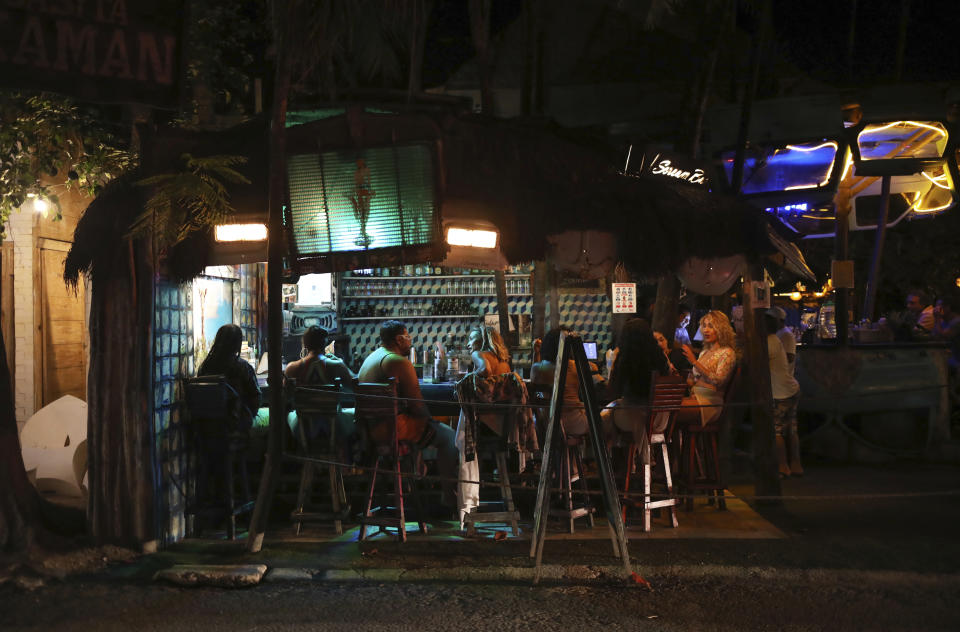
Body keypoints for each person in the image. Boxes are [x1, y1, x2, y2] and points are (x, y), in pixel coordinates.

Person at [358, 320, 459, 509]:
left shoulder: (372, 357)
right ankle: (449, 496)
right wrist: (432, 424)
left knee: (428, 430)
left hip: (370, 430)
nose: (410, 341)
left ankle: (419, 471)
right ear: (398, 339)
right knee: (449, 437)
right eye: (408, 337)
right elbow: (417, 406)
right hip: (391, 430)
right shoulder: (398, 362)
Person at [601, 319, 669, 459]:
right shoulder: (659, 357)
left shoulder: (625, 358)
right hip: (658, 418)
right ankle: (628, 461)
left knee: (603, 417)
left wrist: (613, 368)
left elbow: (614, 391)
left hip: (632, 418)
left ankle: (609, 461)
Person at [677, 311, 738, 426]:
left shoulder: (727, 353)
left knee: (673, 411)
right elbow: (693, 379)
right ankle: (677, 443)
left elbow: (718, 381)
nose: (705, 330)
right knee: (667, 407)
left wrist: (694, 362)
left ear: (721, 329)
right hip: (695, 396)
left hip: (711, 402)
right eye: (704, 326)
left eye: (711, 326)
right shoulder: (704, 352)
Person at [197, 324, 260, 433]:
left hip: (208, 427)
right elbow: (256, 397)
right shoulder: (243, 367)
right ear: (237, 345)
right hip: (237, 424)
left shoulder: (205, 367)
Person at [531, 326, 589, 436]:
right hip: (575, 423)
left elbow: (535, 375)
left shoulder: (538, 368)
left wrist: (536, 353)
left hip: (547, 423)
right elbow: (593, 368)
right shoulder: (576, 366)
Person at [766, 313, 803, 478]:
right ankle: (796, 465)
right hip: (791, 388)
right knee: (792, 429)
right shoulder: (776, 339)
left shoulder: (768, 342)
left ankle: (782, 466)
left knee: (777, 431)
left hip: (778, 392)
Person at [284, 326, 355, 386]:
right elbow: (355, 383)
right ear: (325, 343)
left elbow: (284, 393)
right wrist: (341, 362)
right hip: (329, 402)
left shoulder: (291, 368)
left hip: (300, 403)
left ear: (304, 344)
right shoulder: (338, 365)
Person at [933, 293, 960, 370]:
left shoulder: (957, 322)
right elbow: (935, 336)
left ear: (947, 307)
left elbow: (942, 336)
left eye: (938, 306)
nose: (935, 309)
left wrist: (937, 318)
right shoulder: (944, 322)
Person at [767, 306, 797, 376]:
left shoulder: (787, 335)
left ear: (779, 320)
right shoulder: (777, 332)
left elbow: (790, 358)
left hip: (783, 377)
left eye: (771, 319)